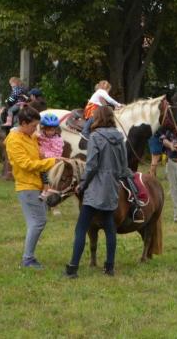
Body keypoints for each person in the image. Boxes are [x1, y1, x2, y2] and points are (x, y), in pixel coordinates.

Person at [64, 106, 127, 278]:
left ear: (97, 118)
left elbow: (91, 166)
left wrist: (82, 184)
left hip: (95, 190)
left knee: (81, 229)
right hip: (112, 189)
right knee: (109, 228)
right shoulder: (119, 137)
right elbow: (123, 166)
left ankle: (73, 269)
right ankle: (109, 268)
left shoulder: (95, 137)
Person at [5, 106, 59, 268]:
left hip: (37, 184)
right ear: (23, 123)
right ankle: (28, 259)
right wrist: (52, 161)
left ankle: (28, 257)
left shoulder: (30, 136)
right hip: (26, 186)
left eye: (36, 126)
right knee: (38, 222)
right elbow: (25, 164)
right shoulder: (15, 140)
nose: (36, 130)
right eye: (33, 126)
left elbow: (37, 154)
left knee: (36, 222)